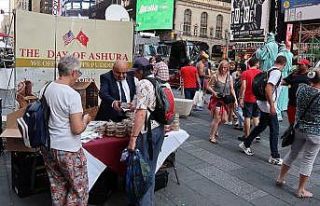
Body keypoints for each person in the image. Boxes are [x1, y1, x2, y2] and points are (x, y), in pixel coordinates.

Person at [41, 55, 91, 206]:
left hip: (48, 145)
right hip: (68, 149)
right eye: (79, 73)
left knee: (58, 187)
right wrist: (86, 119)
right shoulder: (72, 95)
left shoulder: (46, 88)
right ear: (73, 73)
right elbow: (77, 129)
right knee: (78, 190)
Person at [276, 68, 320, 198]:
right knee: (308, 160)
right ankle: (300, 189)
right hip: (315, 133)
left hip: (299, 128)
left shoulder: (301, 88)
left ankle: (280, 177)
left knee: (292, 153)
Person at [128, 62, 165, 205]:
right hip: (158, 128)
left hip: (146, 132)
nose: (134, 75)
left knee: (143, 173)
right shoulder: (155, 81)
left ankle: (143, 203)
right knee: (150, 169)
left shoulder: (143, 83)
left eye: (135, 72)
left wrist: (133, 139)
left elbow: (141, 113)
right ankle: (148, 202)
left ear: (141, 71)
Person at [239, 56, 287, 165]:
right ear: (284, 64)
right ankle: (274, 156)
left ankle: (246, 143)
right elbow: (268, 88)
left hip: (262, 103)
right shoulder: (277, 72)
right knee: (274, 130)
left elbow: (273, 84)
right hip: (268, 105)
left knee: (261, 126)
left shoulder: (270, 70)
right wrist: (272, 106)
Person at [207, 60, 238, 143]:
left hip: (225, 100)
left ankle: (215, 127)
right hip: (216, 99)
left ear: (228, 68)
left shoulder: (229, 77)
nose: (223, 69)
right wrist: (214, 92)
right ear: (219, 67)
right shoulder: (215, 76)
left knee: (224, 119)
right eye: (222, 67)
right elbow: (208, 86)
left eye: (225, 68)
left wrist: (235, 100)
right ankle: (212, 136)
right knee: (217, 118)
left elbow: (232, 89)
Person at [238, 57, 261, 140]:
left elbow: (243, 86)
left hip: (248, 97)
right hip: (258, 98)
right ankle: (257, 134)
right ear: (257, 64)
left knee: (247, 117)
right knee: (256, 116)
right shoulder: (260, 72)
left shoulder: (245, 73)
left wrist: (241, 98)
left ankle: (247, 135)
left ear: (249, 64)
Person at [282, 59, 310, 125]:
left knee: (300, 123)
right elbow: (284, 81)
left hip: (303, 103)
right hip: (292, 101)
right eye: (299, 64)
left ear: (306, 66)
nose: (299, 66)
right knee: (291, 122)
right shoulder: (294, 74)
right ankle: (291, 130)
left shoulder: (309, 75)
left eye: (301, 65)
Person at [276, 42, 294, 121]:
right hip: (287, 75)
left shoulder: (279, 55)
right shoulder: (290, 54)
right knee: (283, 96)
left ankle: (278, 113)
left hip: (280, 75)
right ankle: (280, 111)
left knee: (278, 95)